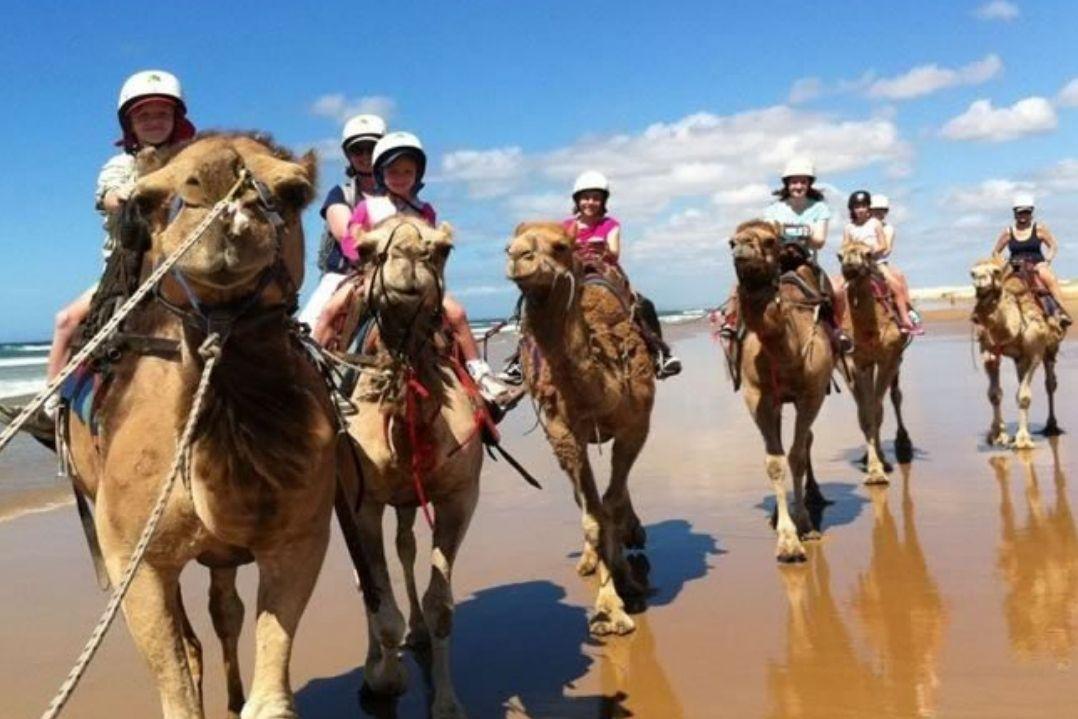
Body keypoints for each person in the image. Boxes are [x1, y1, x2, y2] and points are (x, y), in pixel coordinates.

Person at [0, 70, 196, 436]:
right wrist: (130, 197)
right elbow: (109, 197)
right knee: (65, 322)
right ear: (130, 124)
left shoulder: (189, 163)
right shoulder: (119, 166)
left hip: (184, 267)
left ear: (176, 119)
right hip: (125, 270)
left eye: (161, 114)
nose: (153, 122)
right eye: (144, 116)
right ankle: (51, 405)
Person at [312, 131, 517, 405]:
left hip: (419, 280)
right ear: (381, 172)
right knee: (329, 311)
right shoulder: (367, 207)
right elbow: (352, 241)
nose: (400, 177)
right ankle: (315, 375)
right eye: (394, 171)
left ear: (417, 174)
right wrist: (366, 261)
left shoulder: (424, 210)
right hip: (372, 278)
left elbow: (432, 246)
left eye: (407, 171)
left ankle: (479, 373)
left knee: (456, 313)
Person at [719, 158, 852, 351]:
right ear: (787, 184)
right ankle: (732, 324)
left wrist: (799, 232)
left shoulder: (819, 208)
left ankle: (837, 328)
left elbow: (819, 241)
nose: (798, 186)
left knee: (837, 292)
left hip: (805, 261)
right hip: (778, 262)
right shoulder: (773, 209)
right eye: (794, 181)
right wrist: (797, 232)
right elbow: (768, 236)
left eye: (803, 181)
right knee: (739, 287)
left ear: (809, 184)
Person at [566, 171, 681, 378]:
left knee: (644, 305)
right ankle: (519, 362)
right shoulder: (566, 227)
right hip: (575, 274)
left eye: (596, 197)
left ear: (603, 201)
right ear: (577, 200)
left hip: (605, 270)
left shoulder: (610, 225)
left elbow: (614, 253)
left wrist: (602, 250)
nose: (590, 202)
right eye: (585, 197)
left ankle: (661, 356)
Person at [297, 114, 386, 327]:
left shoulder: (402, 195)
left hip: (396, 272)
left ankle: (469, 359)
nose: (365, 155)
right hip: (346, 274)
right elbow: (348, 238)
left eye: (371, 147)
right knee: (310, 324)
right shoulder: (340, 195)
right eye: (358, 150)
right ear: (348, 155)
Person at [835, 191, 921, 334]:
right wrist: (845, 252)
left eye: (863, 206)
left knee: (896, 286)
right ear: (852, 209)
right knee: (837, 288)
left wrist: (869, 250)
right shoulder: (848, 227)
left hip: (876, 262)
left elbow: (883, 245)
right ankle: (838, 324)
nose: (860, 210)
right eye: (857, 207)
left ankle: (905, 319)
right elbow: (844, 245)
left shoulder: (875, 224)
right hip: (855, 264)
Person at [991, 193, 1071, 326]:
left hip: (1036, 264)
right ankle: (992, 318)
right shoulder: (1008, 232)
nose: (1023, 216)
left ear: (1031, 213)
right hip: (1015, 265)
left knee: (1049, 278)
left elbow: (1053, 246)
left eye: (1026, 212)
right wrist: (1003, 262)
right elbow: (995, 252)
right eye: (1020, 213)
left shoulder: (1039, 229)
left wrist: (1047, 261)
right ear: (1015, 213)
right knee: (997, 285)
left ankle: (1060, 311)